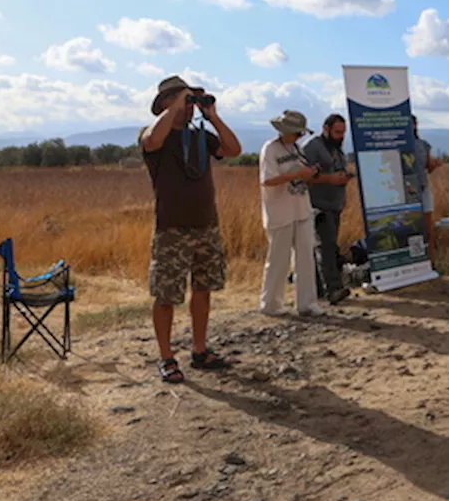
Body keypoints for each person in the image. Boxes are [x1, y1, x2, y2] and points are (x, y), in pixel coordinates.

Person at [138, 75, 242, 384]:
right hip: (172, 228)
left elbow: (233, 149)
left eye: (192, 101)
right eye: (185, 100)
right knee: (166, 295)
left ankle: (199, 349)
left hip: (206, 225)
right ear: (167, 103)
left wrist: (212, 116)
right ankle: (167, 357)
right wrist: (173, 109)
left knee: (203, 288)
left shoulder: (200, 136)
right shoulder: (154, 133)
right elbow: (152, 141)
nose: (190, 107)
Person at [258, 110, 325, 317]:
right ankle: (271, 304)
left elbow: (302, 173)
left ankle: (307, 303)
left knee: (306, 257)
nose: (299, 137)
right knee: (278, 259)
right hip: (280, 212)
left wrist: (310, 173)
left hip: (302, 209)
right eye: (297, 133)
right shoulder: (270, 149)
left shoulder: (297, 148)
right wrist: (297, 174)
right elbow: (267, 181)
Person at [301, 113, 353, 304]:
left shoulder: (337, 149)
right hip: (317, 205)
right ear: (326, 129)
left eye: (343, 132)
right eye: (337, 132)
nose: (341, 136)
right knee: (326, 246)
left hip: (334, 204)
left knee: (326, 246)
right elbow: (303, 176)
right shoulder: (312, 147)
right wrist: (330, 179)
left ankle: (318, 290)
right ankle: (333, 289)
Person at [411, 115, 444, 265]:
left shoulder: (423, 144)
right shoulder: (400, 145)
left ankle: (431, 263)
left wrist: (435, 165)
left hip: (423, 189)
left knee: (428, 229)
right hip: (408, 192)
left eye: (414, 124)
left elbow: (428, 167)